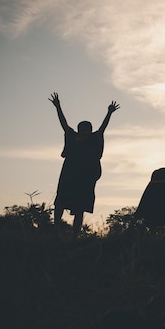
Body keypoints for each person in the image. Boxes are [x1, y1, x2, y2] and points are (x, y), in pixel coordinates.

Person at [49, 92, 119, 235]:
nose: (86, 132)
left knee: (80, 206)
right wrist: (58, 106)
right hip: (69, 174)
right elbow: (63, 123)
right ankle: (56, 229)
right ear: (80, 129)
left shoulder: (94, 139)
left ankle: (75, 234)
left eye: (88, 129)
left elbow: (103, 128)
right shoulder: (72, 136)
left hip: (86, 176)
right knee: (60, 201)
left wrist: (109, 113)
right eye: (84, 129)